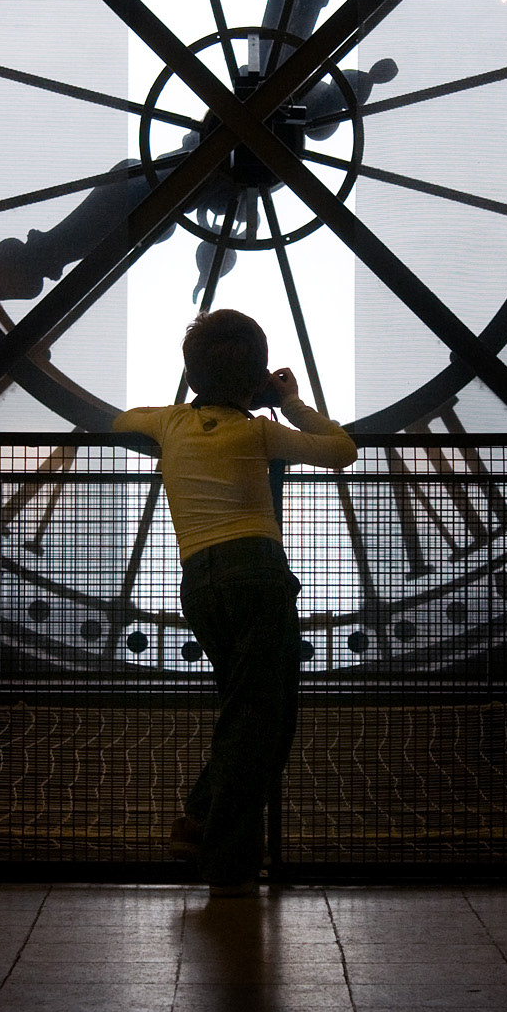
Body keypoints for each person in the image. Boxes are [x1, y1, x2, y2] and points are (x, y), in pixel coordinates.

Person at [112, 309, 358, 896]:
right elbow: (342, 450)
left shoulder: (169, 424)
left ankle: (208, 830)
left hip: (199, 581)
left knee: (248, 715)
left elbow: (122, 424)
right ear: (253, 382)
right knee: (263, 719)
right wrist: (289, 400)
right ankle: (218, 851)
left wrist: (167, 444)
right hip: (259, 577)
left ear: (191, 373)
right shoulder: (261, 433)